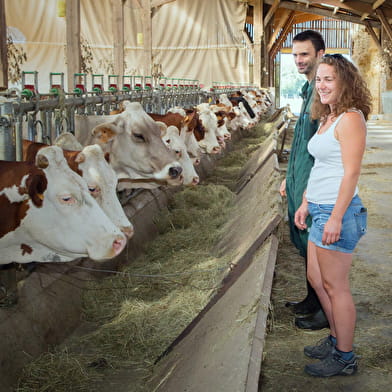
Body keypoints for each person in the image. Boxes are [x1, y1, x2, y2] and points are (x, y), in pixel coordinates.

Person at [294, 53, 372, 377]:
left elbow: (351, 173)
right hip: (319, 209)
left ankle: (345, 356)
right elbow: (322, 168)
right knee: (317, 279)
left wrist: (336, 217)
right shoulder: (328, 117)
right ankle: (336, 337)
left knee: (336, 286)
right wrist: (305, 202)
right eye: (320, 80)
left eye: (330, 79)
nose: (322, 86)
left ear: (345, 82)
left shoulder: (350, 118)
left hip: (339, 212)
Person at [280, 30, 329, 329]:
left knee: (318, 246)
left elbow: (322, 148)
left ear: (320, 55)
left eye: (305, 54)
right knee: (303, 242)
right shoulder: (306, 91)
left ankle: (325, 309)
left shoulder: (321, 95)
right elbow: (300, 143)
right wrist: (289, 177)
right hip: (299, 179)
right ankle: (312, 299)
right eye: (295, 55)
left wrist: (310, 188)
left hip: (314, 185)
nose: (299, 60)